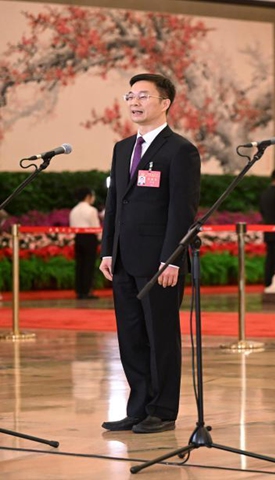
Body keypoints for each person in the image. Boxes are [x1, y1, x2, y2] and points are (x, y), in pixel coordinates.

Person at [99, 73, 201, 434]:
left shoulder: (180, 150)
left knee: (161, 338)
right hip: (123, 259)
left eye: (143, 95)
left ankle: (162, 409)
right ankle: (138, 406)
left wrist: (172, 258)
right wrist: (107, 251)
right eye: (130, 96)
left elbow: (181, 209)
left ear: (165, 103)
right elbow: (114, 204)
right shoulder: (123, 148)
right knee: (130, 337)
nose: (135, 102)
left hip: (160, 263)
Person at [69, 187, 101, 300]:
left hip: (78, 237)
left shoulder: (74, 210)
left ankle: (79, 290)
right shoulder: (91, 210)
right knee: (89, 265)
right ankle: (87, 291)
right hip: (89, 238)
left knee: (80, 265)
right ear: (88, 196)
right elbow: (95, 226)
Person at [259, 168, 275, 291]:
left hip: (268, 230)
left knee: (270, 258)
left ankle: (267, 281)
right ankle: (272, 281)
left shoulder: (265, 194)